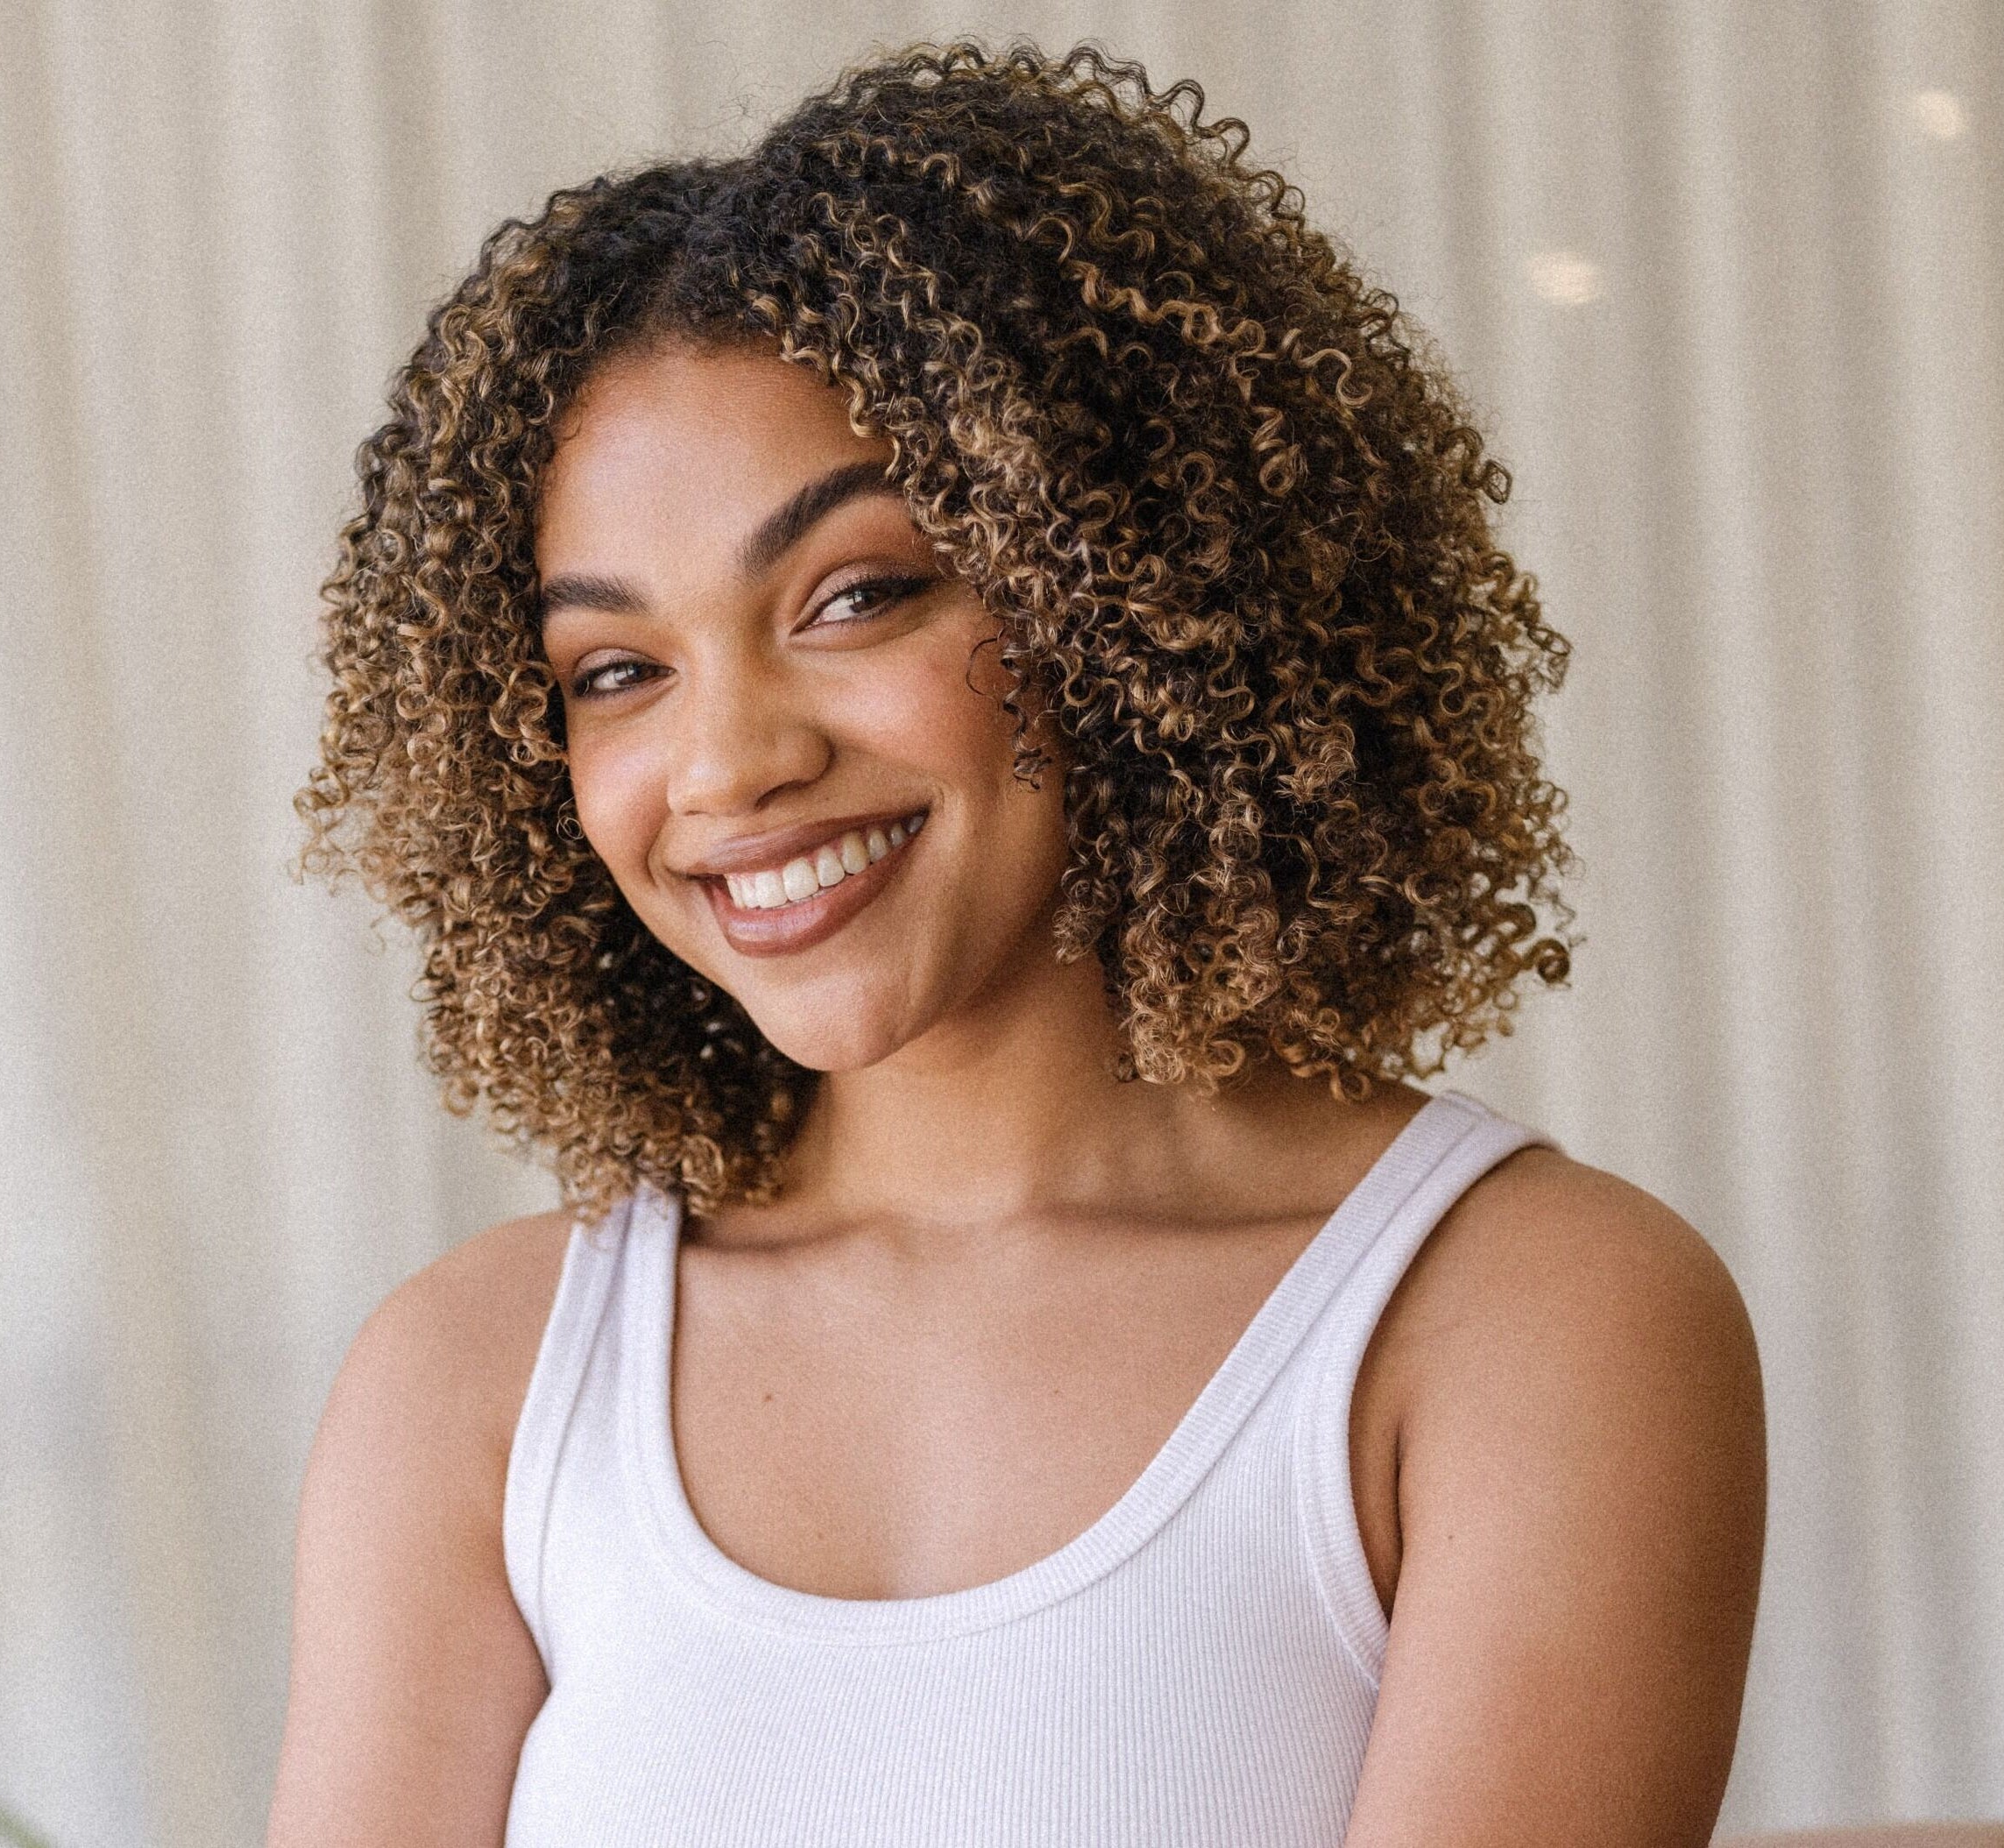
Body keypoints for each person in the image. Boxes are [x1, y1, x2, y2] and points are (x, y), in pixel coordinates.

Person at [271, 41, 1765, 1848]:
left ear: (1138, 591)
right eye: (616, 671)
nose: (731, 760)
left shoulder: (1518, 1318)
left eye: (859, 594)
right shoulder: (480, 1384)